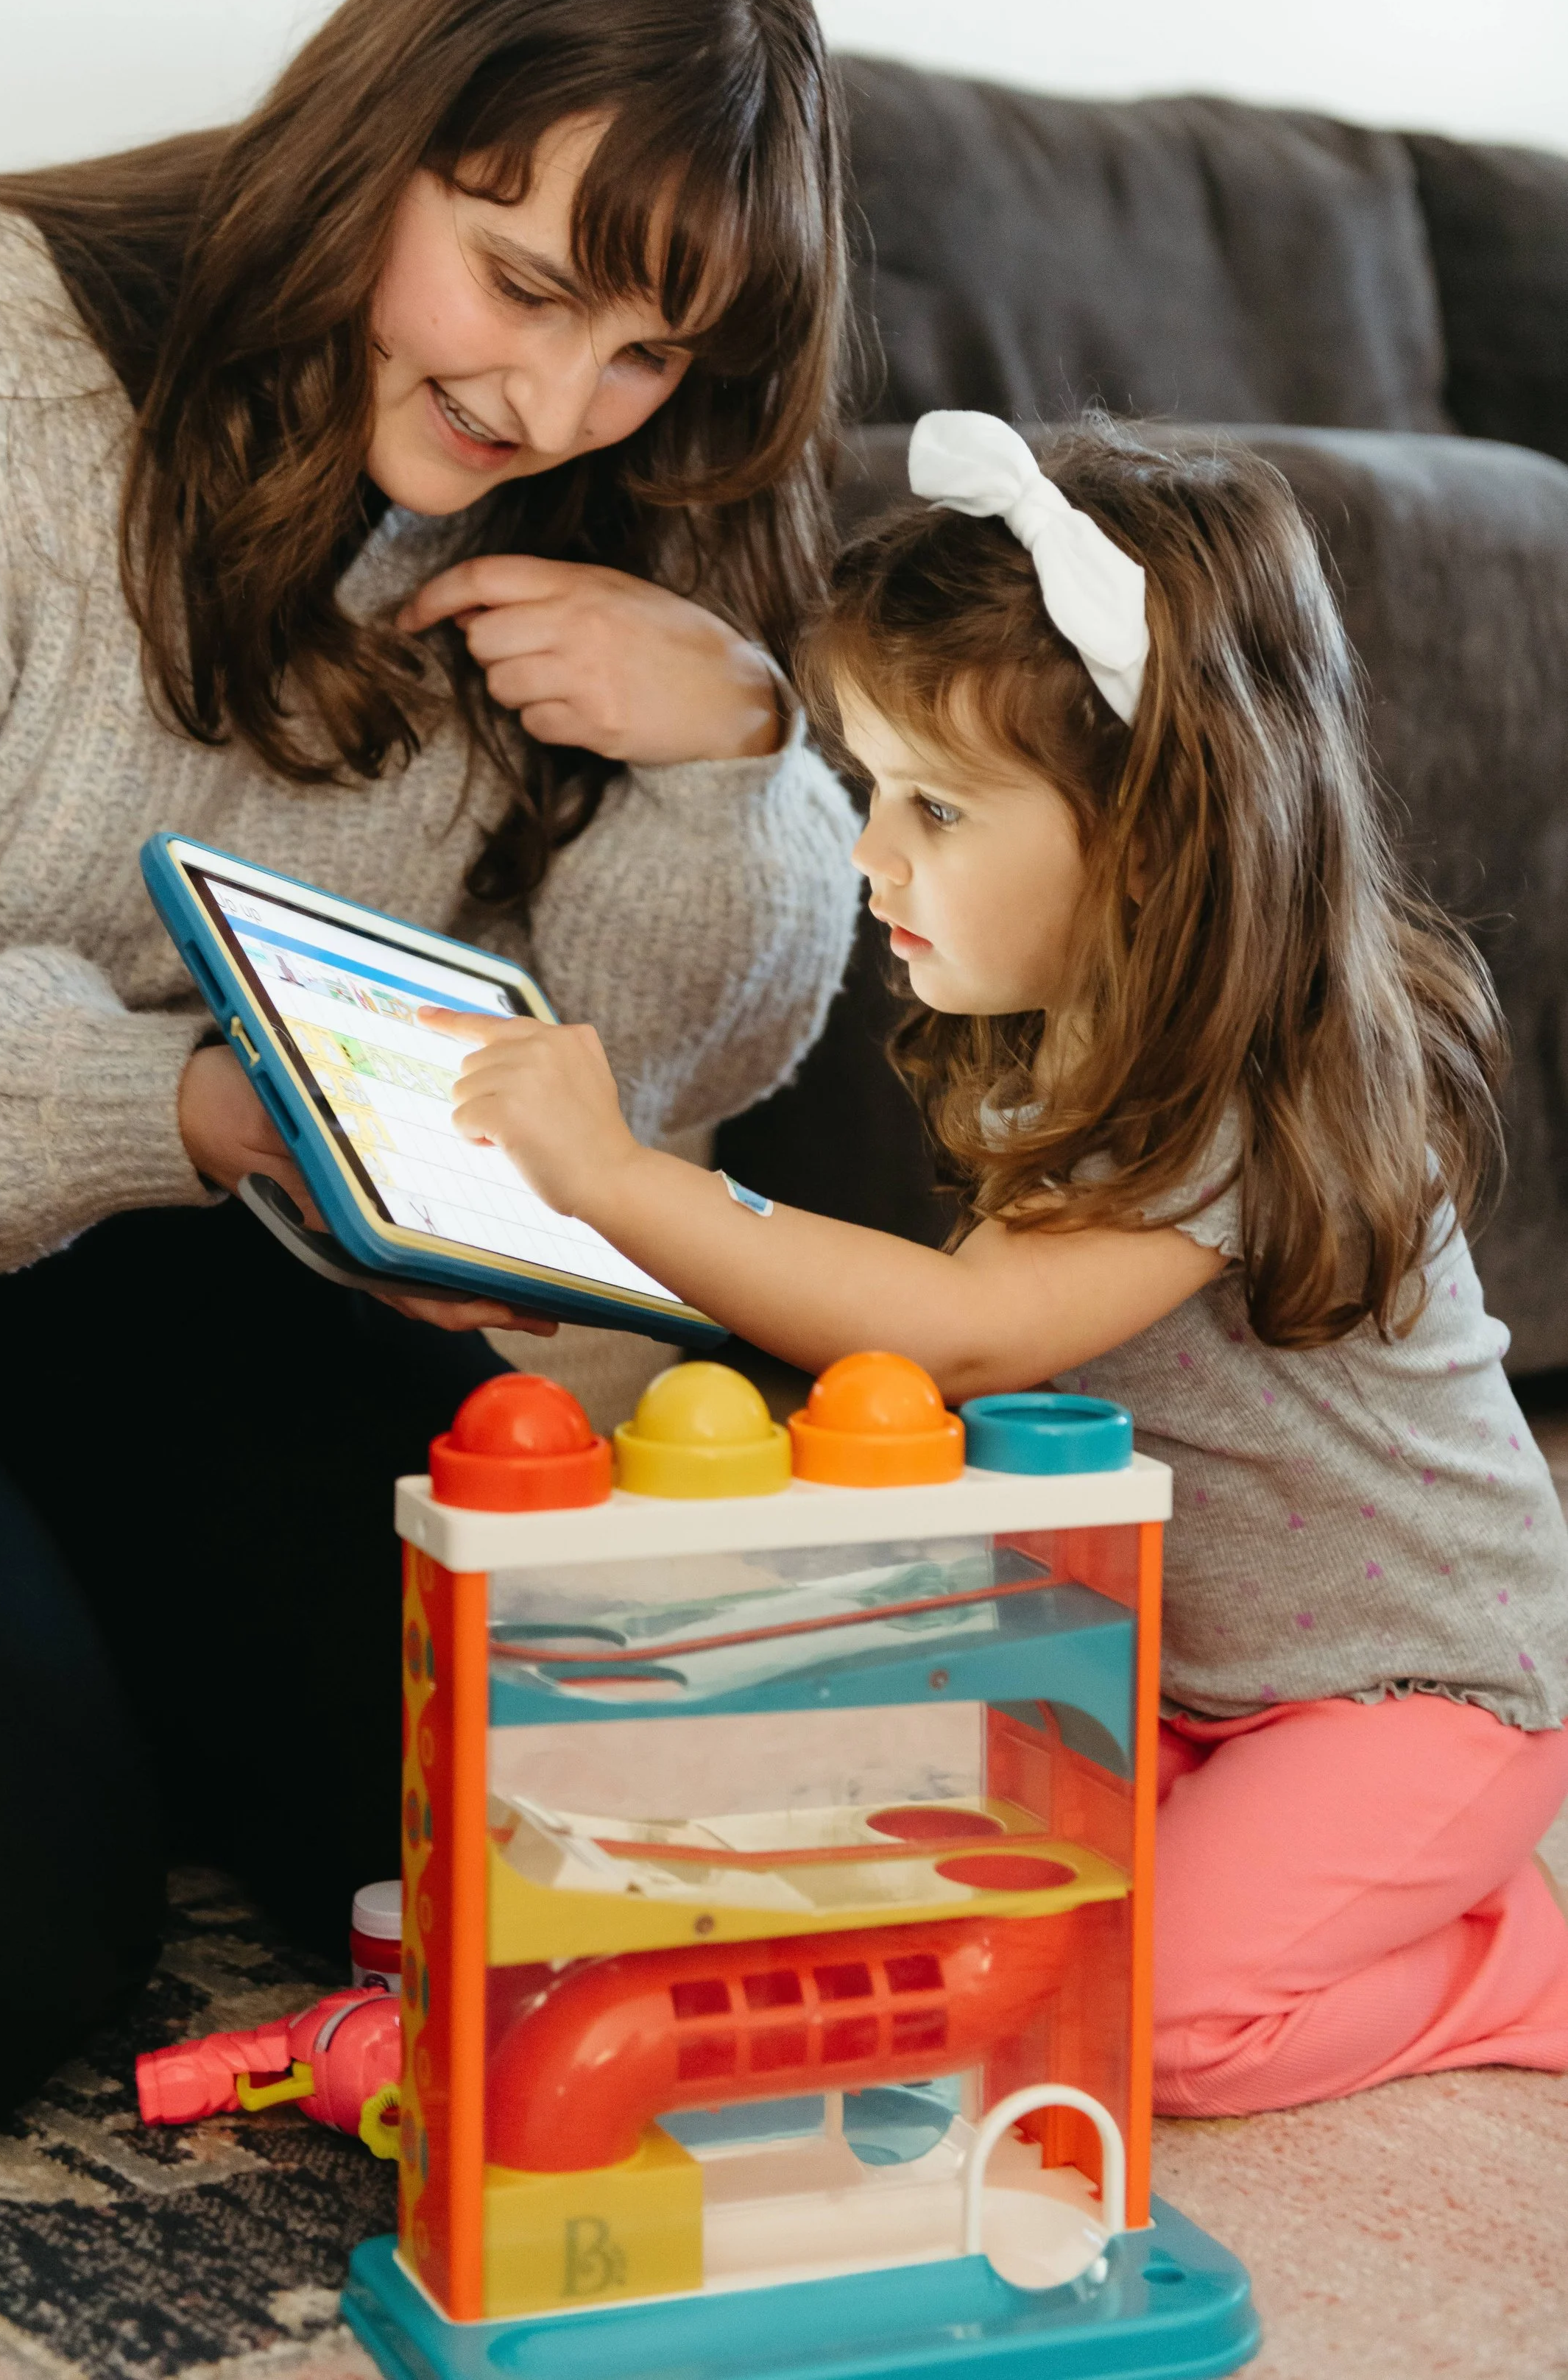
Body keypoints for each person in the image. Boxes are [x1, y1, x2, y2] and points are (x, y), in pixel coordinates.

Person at [0, 0, 861, 2139]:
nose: (551, 395)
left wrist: (738, 754)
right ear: (376, 129)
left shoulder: (597, 500)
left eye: (645, 349)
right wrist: (192, 1105)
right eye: (518, 279)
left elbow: (634, 1105)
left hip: (136, 1264)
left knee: (538, 1839)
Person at [439, 406, 1568, 2116]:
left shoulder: (1237, 1091)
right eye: (866, 789)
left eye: (937, 812)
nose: (869, 854)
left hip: (1411, 1699)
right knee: (946, 1901)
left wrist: (616, 1180)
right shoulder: (1069, 1045)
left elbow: (960, 1337)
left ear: (1153, 844)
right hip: (1193, 1675)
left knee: (1153, 2031)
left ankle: (1521, 1962)